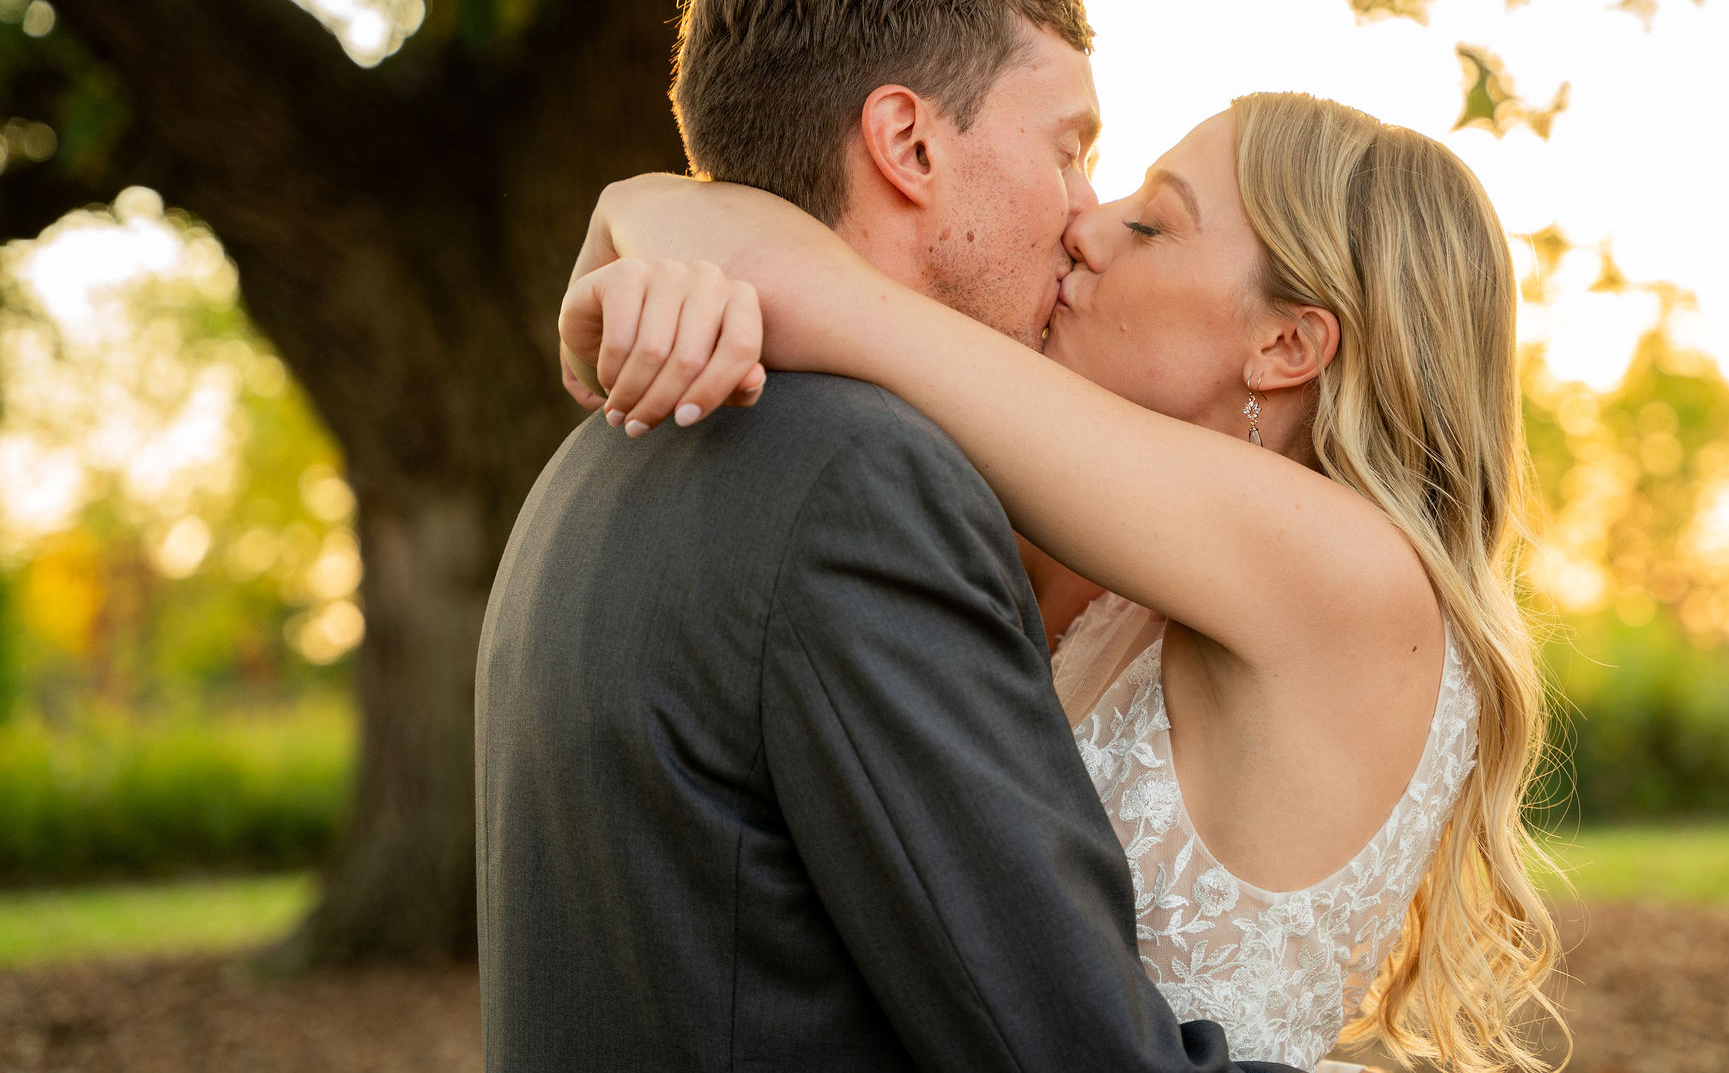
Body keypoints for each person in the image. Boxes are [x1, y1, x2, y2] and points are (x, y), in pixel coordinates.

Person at [558, 93, 1566, 1070]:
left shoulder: (1351, 575)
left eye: (1152, 224)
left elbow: (814, 295)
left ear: (1285, 344)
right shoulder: (1158, 588)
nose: (1087, 225)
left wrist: (628, 205)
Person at [476, 0, 1301, 1072]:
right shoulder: (864, 485)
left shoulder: (599, 453)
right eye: (1069, 149)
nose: (1083, 217)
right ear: (908, 144)